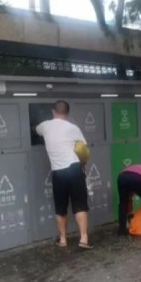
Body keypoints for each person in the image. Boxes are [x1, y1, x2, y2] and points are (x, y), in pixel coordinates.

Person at [36, 100, 93, 249]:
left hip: (59, 172)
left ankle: (63, 239)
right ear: (67, 113)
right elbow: (84, 147)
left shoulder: (45, 126)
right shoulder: (73, 128)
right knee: (80, 205)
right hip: (75, 169)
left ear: (53, 111)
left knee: (60, 208)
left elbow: (36, 130)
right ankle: (84, 239)